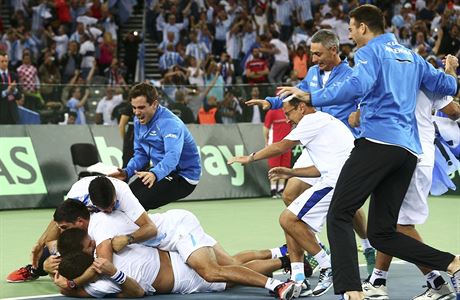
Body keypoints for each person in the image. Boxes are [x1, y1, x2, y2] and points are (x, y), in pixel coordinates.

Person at [276, 5, 460, 299]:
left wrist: (312, 96)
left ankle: (352, 292)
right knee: (381, 233)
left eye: (350, 28)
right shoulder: (412, 56)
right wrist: (451, 71)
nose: (349, 33)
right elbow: (447, 85)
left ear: (363, 27)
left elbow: (356, 85)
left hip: (377, 143)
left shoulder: (368, 53)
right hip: (407, 153)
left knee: (339, 213)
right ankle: (452, 263)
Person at [246, 29, 375, 277]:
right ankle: (312, 247)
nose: (313, 59)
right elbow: (297, 95)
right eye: (312, 54)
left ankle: (368, 247)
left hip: (339, 146)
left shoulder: (350, 76)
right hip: (315, 142)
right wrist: (271, 103)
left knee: (347, 203)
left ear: (334, 50)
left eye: (318, 54)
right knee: (290, 193)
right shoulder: (314, 73)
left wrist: (358, 120)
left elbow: (361, 106)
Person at [229, 97, 356, 296]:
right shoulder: (321, 123)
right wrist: (292, 172)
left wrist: (250, 158)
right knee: (292, 219)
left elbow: (281, 146)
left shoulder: (311, 121)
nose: (287, 119)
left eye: (288, 113)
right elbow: (320, 168)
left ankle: (328, 265)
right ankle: (298, 278)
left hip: (337, 182)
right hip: (335, 178)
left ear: (302, 108)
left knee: (287, 218)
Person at [52, 200, 300, 300]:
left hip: (176, 236)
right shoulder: (100, 282)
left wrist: (71, 281)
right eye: (88, 245)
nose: (93, 243)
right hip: (179, 267)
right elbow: (134, 292)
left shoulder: (101, 240)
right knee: (230, 268)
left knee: (217, 273)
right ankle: (285, 259)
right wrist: (70, 283)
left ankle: (276, 285)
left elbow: (93, 268)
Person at [359, 78, 460, 298]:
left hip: (408, 158)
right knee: (389, 225)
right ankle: (378, 279)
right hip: (411, 157)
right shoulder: (429, 79)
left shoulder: (389, 81)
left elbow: (356, 118)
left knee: (399, 226)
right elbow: (454, 111)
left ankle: (444, 275)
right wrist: (450, 72)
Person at [6, 176, 158, 283]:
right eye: (104, 208)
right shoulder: (79, 191)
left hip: (116, 227)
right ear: (92, 200)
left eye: (112, 205)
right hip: (86, 222)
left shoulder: (123, 193)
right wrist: (41, 243)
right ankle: (34, 270)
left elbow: (150, 227)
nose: (110, 210)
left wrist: (128, 238)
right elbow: (61, 218)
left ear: (115, 196)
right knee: (57, 248)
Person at [109, 82, 201, 209]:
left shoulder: (170, 123)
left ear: (154, 104)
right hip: (160, 170)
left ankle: (145, 228)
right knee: (125, 199)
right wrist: (127, 172)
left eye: (141, 107)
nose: (136, 112)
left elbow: (172, 156)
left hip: (183, 176)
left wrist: (154, 174)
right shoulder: (138, 121)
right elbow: (141, 154)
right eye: (134, 107)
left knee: (136, 204)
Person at [263, 107, 292, 198]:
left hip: (287, 144)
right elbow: (266, 127)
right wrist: (266, 141)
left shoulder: (290, 110)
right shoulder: (272, 112)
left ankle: (281, 189)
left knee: (284, 167)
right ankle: (273, 190)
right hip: (274, 144)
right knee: (274, 167)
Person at [0, 51, 20, 124]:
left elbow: (19, 96)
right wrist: (6, 92)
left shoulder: (14, 76)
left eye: (6, 61)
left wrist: (14, 90)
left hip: (12, 114)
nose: (4, 63)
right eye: (2, 61)